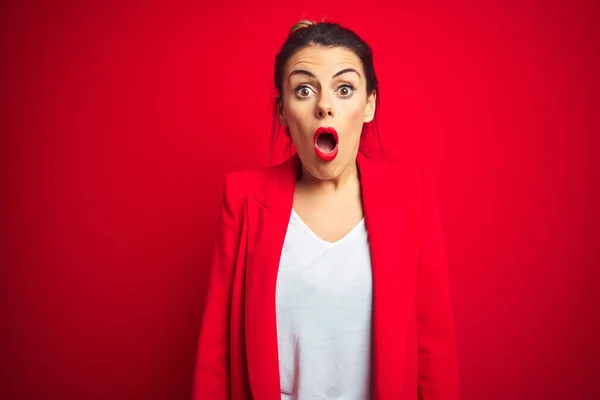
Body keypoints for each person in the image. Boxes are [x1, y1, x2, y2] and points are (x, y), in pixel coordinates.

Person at [192, 20, 460, 400]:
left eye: (345, 89)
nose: (324, 106)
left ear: (369, 105)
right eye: (304, 90)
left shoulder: (409, 198)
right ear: (283, 111)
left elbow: (434, 349)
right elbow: (215, 355)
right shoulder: (244, 200)